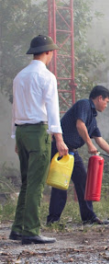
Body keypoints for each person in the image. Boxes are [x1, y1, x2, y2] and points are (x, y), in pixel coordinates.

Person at [10, 35, 69, 245]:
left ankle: (18, 229)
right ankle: (31, 231)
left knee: (27, 182)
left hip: (23, 132)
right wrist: (59, 138)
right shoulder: (47, 77)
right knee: (36, 185)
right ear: (48, 53)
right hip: (38, 132)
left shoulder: (19, 76)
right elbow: (53, 109)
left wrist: (15, 136)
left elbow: (15, 108)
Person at [47, 85, 109, 226]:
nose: (106, 105)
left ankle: (88, 217)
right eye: (106, 101)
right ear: (99, 98)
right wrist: (90, 145)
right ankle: (53, 220)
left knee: (83, 182)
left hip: (73, 152)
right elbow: (80, 125)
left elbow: (99, 139)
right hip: (61, 148)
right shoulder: (84, 104)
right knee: (60, 184)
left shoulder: (93, 118)